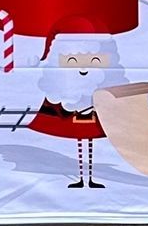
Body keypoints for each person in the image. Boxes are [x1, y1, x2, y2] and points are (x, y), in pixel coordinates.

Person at [29, 15, 123, 189]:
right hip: (72, 116)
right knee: (80, 142)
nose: (83, 68)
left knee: (89, 143)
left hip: (95, 115)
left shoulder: (103, 85)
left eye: (94, 61)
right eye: (72, 61)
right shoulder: (60, 95)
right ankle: (81, 176)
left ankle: (90, 177)